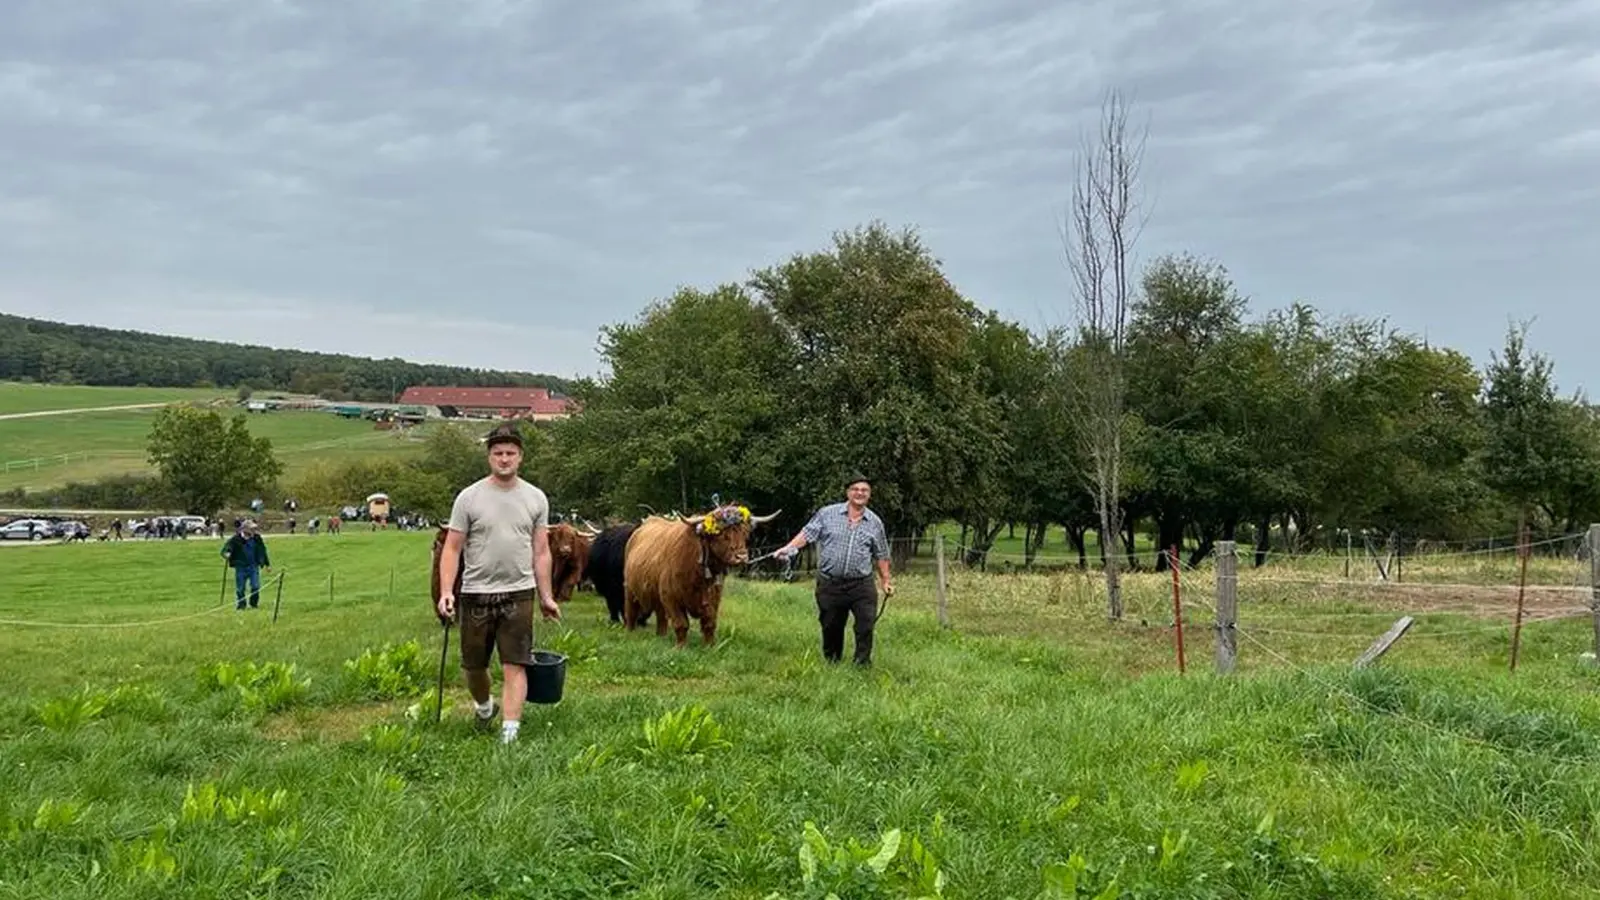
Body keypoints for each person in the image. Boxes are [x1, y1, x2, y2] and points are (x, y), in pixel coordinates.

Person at [435, 424, 561, 743]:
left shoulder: (536, 498)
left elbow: (541, 551)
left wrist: (546, 596)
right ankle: (484, 706)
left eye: (510, 453)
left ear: (521, 457)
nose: (504, 459)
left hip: (519, 592)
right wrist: (446, 592)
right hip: (476, 593)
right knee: (474, 666)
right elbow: (452, 548)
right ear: (489, 456)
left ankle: (510, 733)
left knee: (514, 663)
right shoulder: (469, 498)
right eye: (498, 453)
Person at [773, 473, 893, 666]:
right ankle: (832, 662)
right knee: (831, 626)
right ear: (848, 492)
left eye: (864, 490)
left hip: (861, 584)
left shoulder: (875, 522)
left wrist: (886, 580)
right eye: (855, 489)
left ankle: (862, 664)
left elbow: (881, 553)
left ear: (869, 494)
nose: (860, 493)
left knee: (866, 624)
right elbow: (808, 533)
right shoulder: (827, 514)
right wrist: (788, 549)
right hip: (830, 584)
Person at [221, 520, 271, 610]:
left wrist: (267, 564)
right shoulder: (235, 539)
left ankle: (253, 604)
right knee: (240, 588)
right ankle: (241, 605)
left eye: (254, 529)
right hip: (241, 567)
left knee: (255, 586)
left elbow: (262, 551)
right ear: (245, 529)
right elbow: (226, 549)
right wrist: (226, 553)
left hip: (253, 566)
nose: (254, 531)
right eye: (252, 529)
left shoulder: (257, 538)